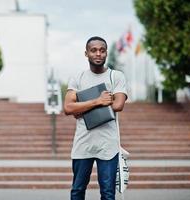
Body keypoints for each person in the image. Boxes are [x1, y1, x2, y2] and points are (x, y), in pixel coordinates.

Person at [64, 36, 128, 200]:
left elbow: (118, 105)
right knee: (77, 190)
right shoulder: (77, 78)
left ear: (106, 53)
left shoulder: (116, 76)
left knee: (107, 193)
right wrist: (98, 100)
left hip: (108, 145)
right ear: (86, 53)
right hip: (82, 143)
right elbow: (68, 108)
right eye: (94, 50)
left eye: (102, 50)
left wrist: (82, 106)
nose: (98, 54)